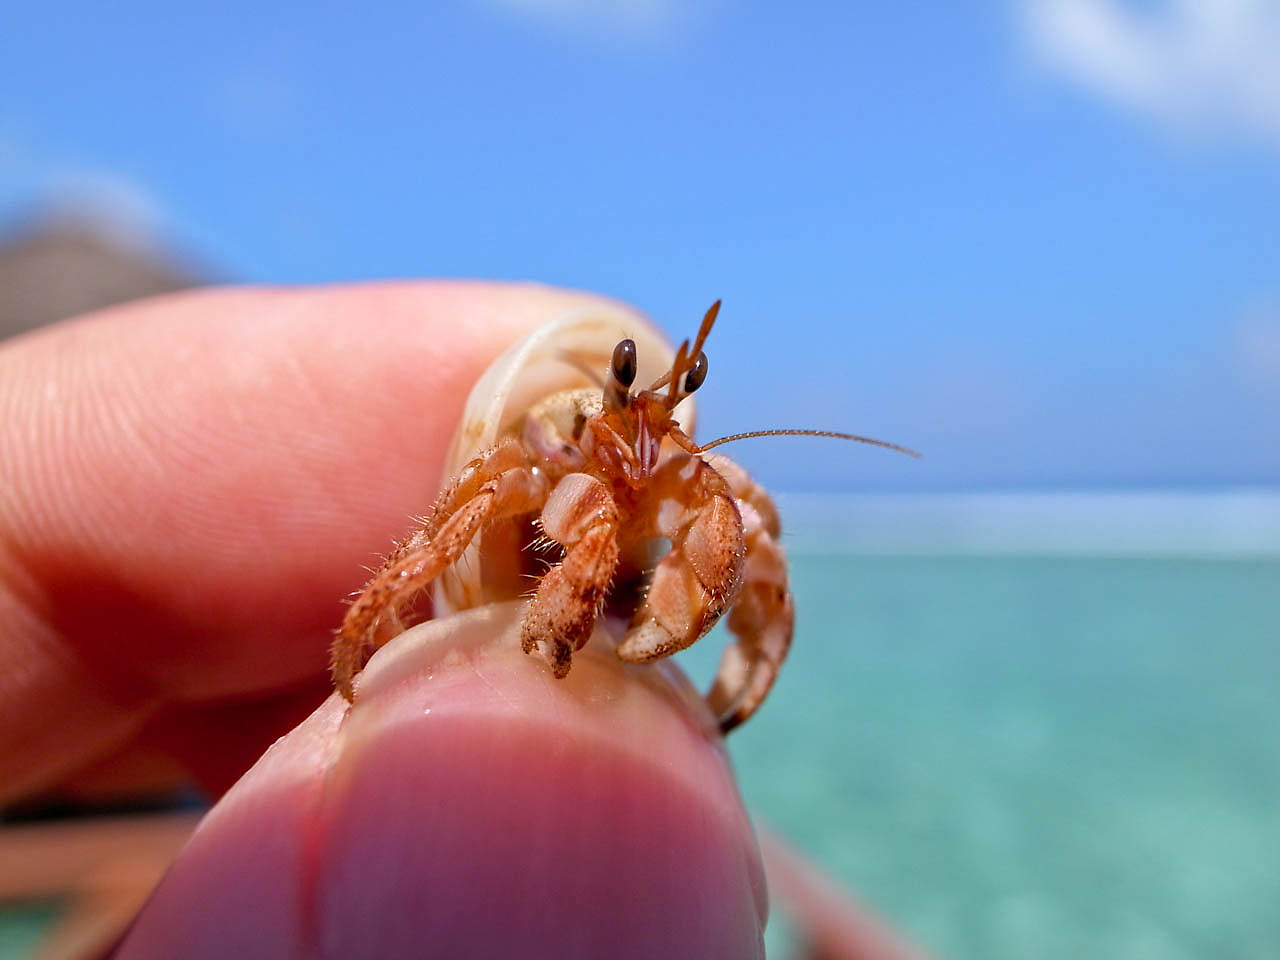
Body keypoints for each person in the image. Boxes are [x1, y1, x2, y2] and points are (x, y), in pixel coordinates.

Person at [0, 283, 923, 959]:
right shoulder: (540, 454)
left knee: (741, 502)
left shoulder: (672, 462)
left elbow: (744, 531)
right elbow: (471, 515)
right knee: (583, 527)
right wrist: (377, 621)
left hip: (591, 559)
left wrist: (741, 653)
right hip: (537, 512)